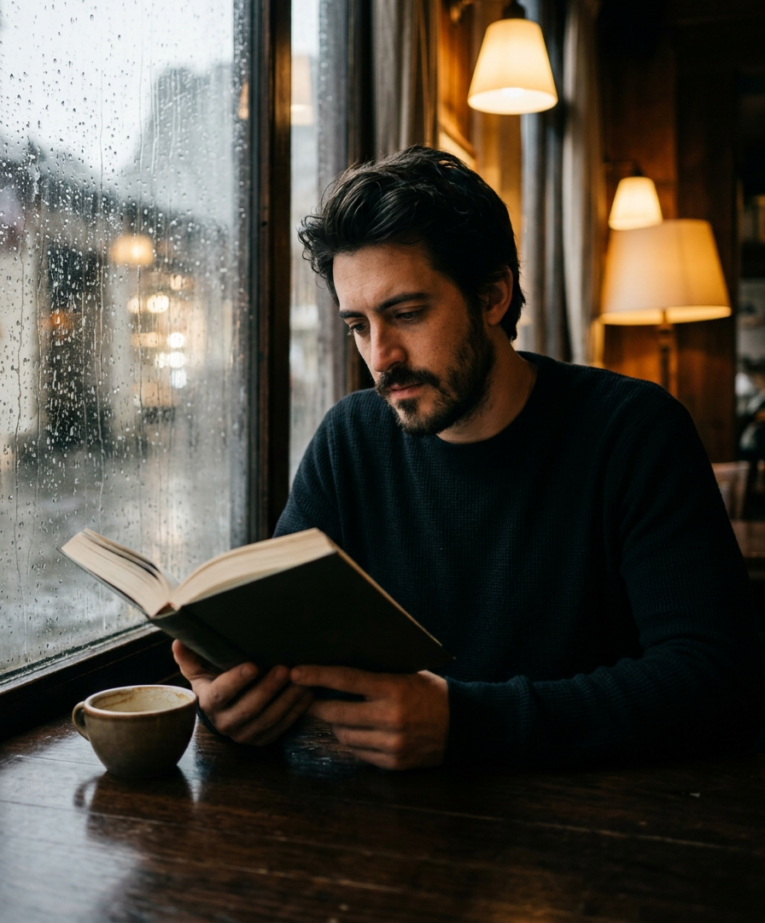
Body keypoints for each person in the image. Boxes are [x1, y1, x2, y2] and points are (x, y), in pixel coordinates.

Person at [174, 146, 763, 770]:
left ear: (493, 297)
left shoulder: (633, 432)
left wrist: (466, 722)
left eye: (406, 314)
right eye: (358, 325)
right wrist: (234, 700)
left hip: (592, 831)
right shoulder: (349, 439)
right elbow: (287, 643)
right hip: (379, 832)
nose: (381, 357)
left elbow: (712, 677)